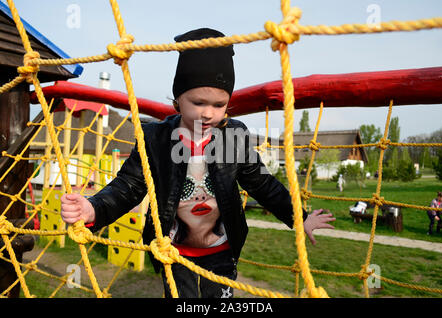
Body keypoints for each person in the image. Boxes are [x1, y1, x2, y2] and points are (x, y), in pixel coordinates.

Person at [60, 28, 335, 298]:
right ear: (178, 98)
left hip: (222, 251)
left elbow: (263, 184)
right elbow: (128, 186)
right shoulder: (155, 139)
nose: (207, 113)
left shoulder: (234, 138)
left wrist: (299, 217)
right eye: (197, 102)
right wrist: (94, 208)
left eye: (219, 105)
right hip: (175, 252)